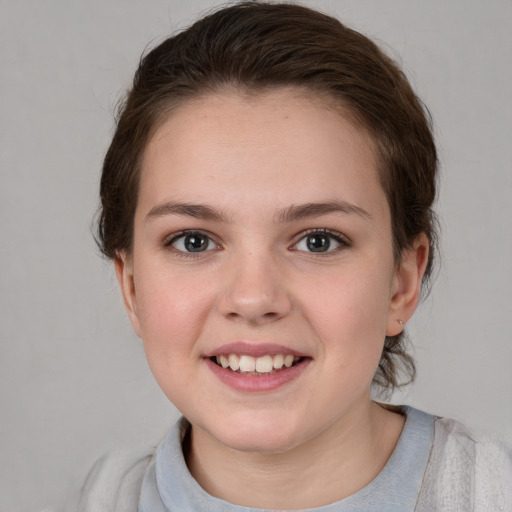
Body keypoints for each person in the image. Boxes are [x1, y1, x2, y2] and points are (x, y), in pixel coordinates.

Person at [79, 2, 512, 510]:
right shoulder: (94, 498)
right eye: (194, 241)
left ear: (402, 281)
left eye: (318, 240)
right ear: (131, 287)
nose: (254, 297)